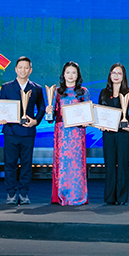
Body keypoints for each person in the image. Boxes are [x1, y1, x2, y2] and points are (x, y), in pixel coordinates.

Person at [0, 56, 46, 205]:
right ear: (15, 69)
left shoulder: (36, 88)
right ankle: (11, 193)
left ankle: (24, 193)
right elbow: (1, 107)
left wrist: (35, 121)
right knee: (10, 164)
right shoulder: (6, 87)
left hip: (28, 132)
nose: (23, 70)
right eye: (20, 67)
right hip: (10, 131)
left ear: (30, 70)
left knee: (26, 164)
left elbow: (42, 107)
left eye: (26, 68)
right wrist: (1, 117)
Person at [46, 61, 90, 206]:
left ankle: (77, 195)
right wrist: (49, 112)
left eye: (74, 73)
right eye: (68, 72)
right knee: (63, 164)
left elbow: (88, 114)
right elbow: (51, 118)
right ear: (63, 75)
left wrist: (87, 121)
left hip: (77, 134)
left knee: (76, 165)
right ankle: (62, 194)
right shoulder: (58, 92)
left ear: (78, 75)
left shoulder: (83, 92)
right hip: (62, 134)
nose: (71, 75)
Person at [98, 63, 129, 206]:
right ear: (109, 75)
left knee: (123, 164)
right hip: (108, 133)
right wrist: (100, 124)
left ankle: (121, 197)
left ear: (123, 76)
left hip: (123, 134)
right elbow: (100, 112)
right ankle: (110, 197)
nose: (116, 76)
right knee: (109, 164)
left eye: (119, 73)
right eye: (113, 73)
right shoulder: (103, 92)